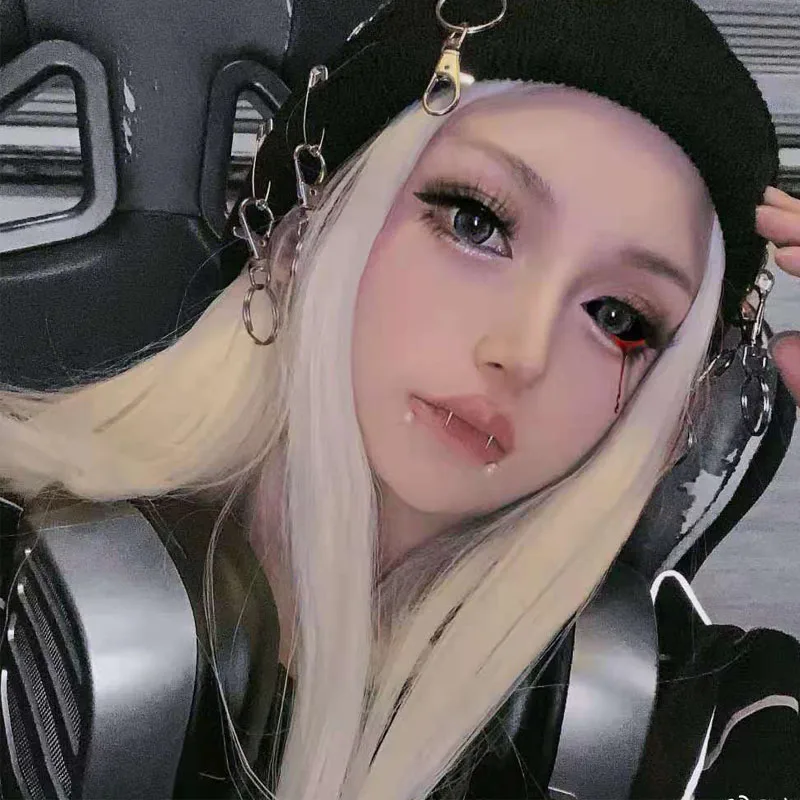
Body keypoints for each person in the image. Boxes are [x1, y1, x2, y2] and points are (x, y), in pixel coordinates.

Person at [1, 0, 800, 797]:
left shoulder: (695, 721)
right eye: (475, 222)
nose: (521, 354)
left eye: (618, 318)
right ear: (301, 235)